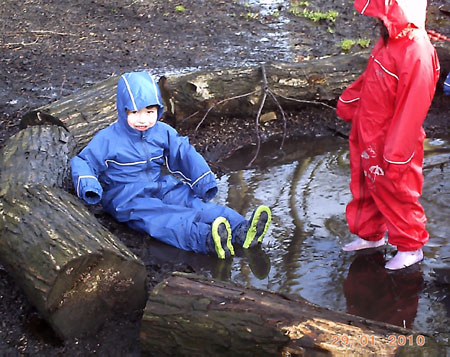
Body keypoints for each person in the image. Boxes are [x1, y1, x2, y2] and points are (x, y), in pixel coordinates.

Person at [70, 71, 272, 259]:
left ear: (158, 110)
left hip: (159, 185)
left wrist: (203, 180)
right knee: (163, 218)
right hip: (127, 196)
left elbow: (183, 153)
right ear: (123, 111)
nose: (143, 120)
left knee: (193, 202)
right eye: (135, 112)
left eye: (149, 112)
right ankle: (206, 239)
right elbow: (84, 161)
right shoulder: (108, 139)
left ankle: (240, 230)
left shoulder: (161, 132)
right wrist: (89, 186)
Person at [336, 0, 440, 270]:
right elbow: (373, 76)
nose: (378, 19)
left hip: (392, 136)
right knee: (364, 183)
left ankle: (410, 246)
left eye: (383, 13)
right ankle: (370, 235)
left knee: (396, 189)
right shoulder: (390, 40)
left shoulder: (416, 49)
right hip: (368, 127)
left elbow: (412, 108)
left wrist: (398, 152)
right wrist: (352, 99)